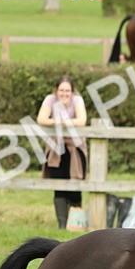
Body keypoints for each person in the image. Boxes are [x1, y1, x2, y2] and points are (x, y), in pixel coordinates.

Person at [36, 74, 88, 230]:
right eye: (61, 90)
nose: (64, 93)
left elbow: (82, 120)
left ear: (72, 91)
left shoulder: (77, 100)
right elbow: (41, 118)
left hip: (75, 146)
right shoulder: (50, 99)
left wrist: (65, 122)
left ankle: (76, 224)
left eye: (67, 90)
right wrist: (58, 122)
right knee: (58, 184)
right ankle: (62, 224)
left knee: (75, 182)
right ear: (56, 90)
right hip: (56, 146)